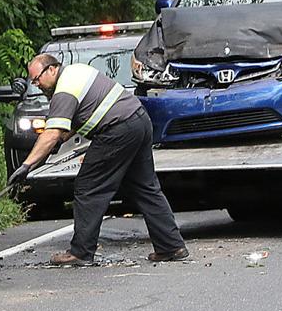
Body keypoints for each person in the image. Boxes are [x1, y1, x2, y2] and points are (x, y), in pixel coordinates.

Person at [12, 53, 188, 265]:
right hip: (138, 120)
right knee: (145, 187)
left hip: (118, 129)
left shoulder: (64, 89)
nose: (36, 84)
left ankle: (81, 252)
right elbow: (77, 119)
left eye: (37, 78)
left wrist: (26, 165)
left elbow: (52, 132)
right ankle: (171, 246)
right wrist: (57, 142)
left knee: (88, 186)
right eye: (33, 81)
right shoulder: (75, 73)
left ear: (51, 69)